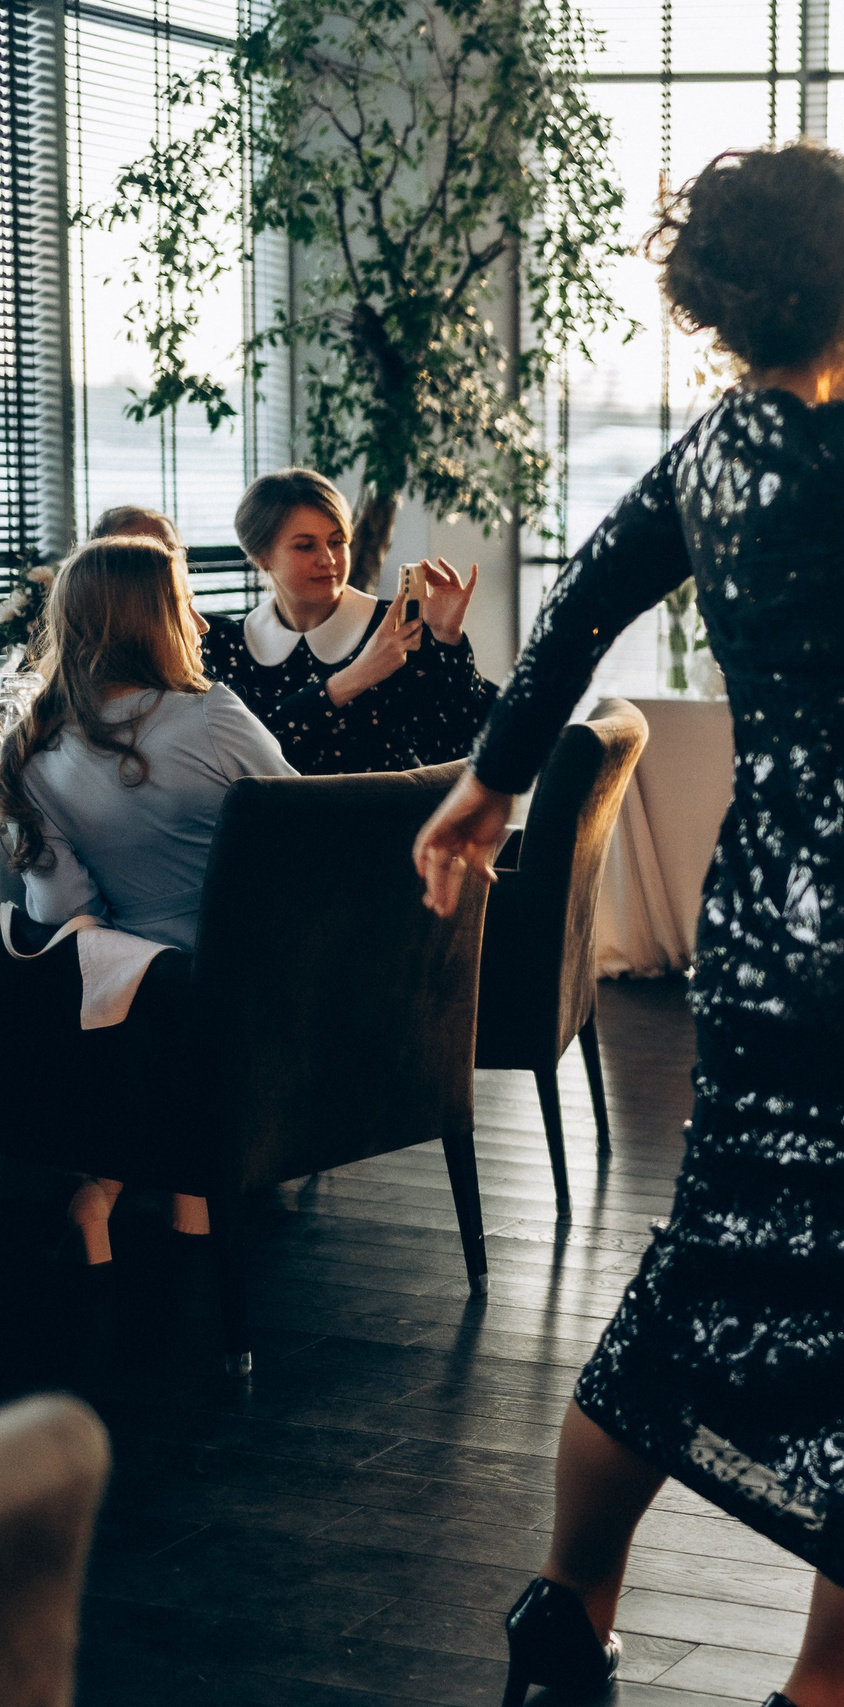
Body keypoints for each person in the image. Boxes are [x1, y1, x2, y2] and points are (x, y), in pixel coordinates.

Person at [409, 16, 844, 1707]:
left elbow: (579, 603)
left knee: (712, 1256)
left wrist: (491, 782)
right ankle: (825, 1693)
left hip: (762, 937)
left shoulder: (717, 457)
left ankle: (564, 1613)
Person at [0, 536, 296, 1257]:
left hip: (141, 985)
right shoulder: (211, 716)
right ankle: (185, 1214)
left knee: (167, 1013)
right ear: (151, 619)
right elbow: (307, 832)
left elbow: (63, 913)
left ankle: (106, 1192)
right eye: (185, 602)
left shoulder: (33, 750)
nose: (197, 621)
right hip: (264, 980)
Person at [197, 469, 495, 774]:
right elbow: (244, 757)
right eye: (305, 545)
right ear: (262, 557)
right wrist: (356, 676)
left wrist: (447, 639)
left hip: (389, 818)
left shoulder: (395, 629)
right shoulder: (226, 644)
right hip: (279, 821)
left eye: (337, 541)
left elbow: (460, 751)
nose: (328, 559)